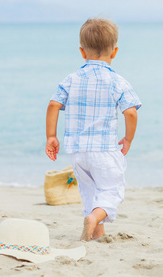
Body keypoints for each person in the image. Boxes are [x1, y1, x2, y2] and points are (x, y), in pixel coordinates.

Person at [45, 18, 141, 241]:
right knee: (111, 191)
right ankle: (93, 219)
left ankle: (97, 233)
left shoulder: (71, 79)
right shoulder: (118, 82)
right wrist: (128, 138)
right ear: (114, 52)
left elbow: (53, 105)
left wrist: (51, 136)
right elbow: (131, 112)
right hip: (105, 150)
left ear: (82, 51)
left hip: (78, 153)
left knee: (89, 192)